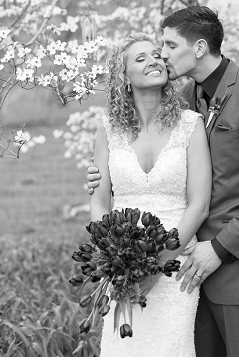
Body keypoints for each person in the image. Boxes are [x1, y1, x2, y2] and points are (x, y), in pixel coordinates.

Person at [88, 6, 239, 357]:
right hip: (185, 270)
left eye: (168, 45)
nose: (162, 54)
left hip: (236, 265)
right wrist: (103, 177)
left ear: (198, 48)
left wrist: (217, 248)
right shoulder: (184, 100)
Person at [90, 33, 212, 356]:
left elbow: (199, 205)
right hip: (122, 272)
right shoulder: (107, 128)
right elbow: (100, 201)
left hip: (176, 269)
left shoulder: (190, 125)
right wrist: (114, 261)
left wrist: (158, 265)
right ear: (124, 77)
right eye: (141, 58)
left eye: (157, 55)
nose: (154, 60)